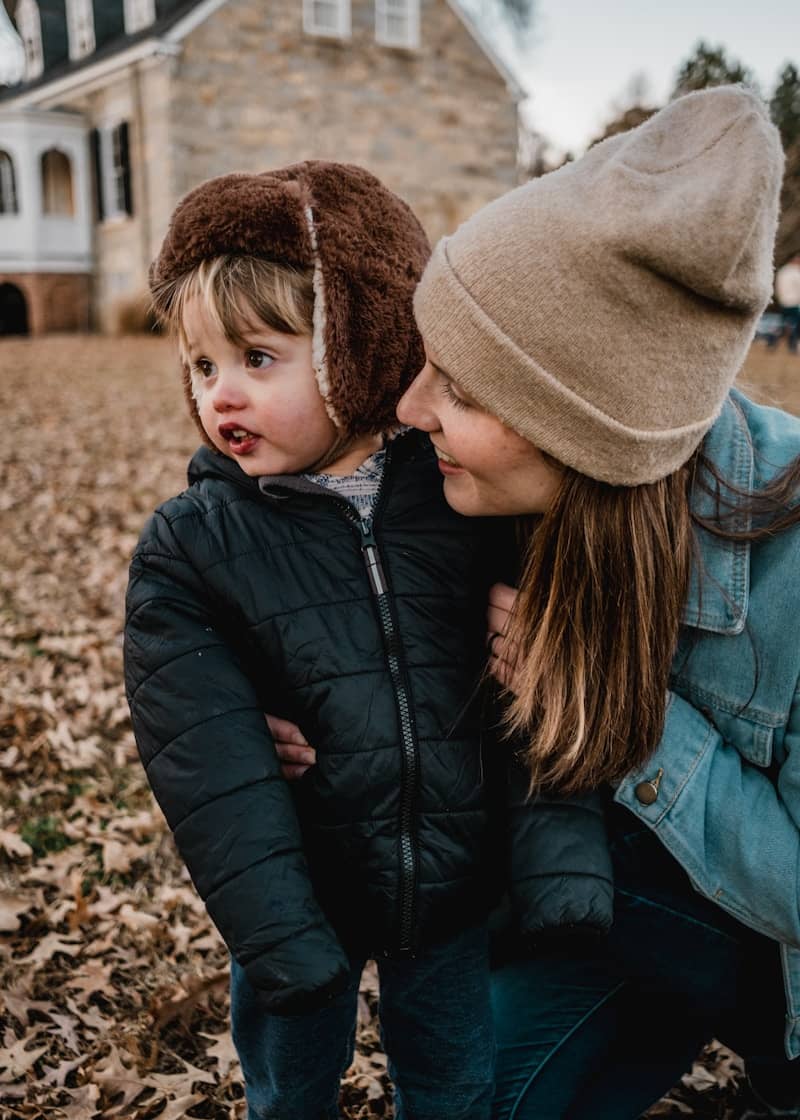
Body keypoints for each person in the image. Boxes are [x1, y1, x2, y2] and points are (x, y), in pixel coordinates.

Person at [123, 161, 612, 1120]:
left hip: (454, 888)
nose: (223, 393)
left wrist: (562, 878)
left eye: (258, 359)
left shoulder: (460, 501)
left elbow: (530, 695)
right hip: (302, 892)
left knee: (456, 1087)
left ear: (357, 343)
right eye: (203, 365)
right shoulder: (194, 546)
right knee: (291, 1089)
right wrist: (278, 938)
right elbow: (204, 756)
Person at [394, 85, 800, 1118]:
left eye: (459, 387)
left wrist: (622, 724)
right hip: (623, 910)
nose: (411, 409)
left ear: (579, 426)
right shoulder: (499, 493)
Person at [773, 253, 800, 354]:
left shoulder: (782, 271)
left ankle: (772, 342)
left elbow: (778, 287)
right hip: (794, 302)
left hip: (783, 301)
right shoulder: (795, 272)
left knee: (784, 324)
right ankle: (793, 346)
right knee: (794, 325)